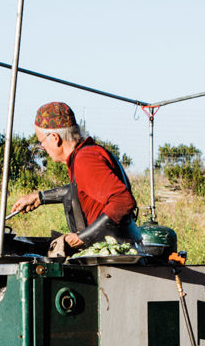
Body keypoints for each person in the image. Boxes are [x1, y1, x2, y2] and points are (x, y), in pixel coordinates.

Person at [10, 102, 140, 257]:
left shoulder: (85, 160)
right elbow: (80, 189)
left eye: (41, 142)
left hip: (116, 257)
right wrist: (39, 198)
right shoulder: (86, 154)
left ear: (54, 138)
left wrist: (81, 238)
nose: (42, 147)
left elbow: (122, 201)